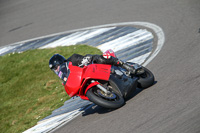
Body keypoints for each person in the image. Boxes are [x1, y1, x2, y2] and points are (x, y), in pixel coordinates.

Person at [49, 53, 144, 82]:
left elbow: (83, 58)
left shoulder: (72, 59)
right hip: (89, 79)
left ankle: (125, 66)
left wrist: (84, 60)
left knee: (100, 58)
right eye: (54, 69)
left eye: (56, 67)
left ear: (60, 63)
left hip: (94, 67)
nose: (56, 70)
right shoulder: (64, 77)